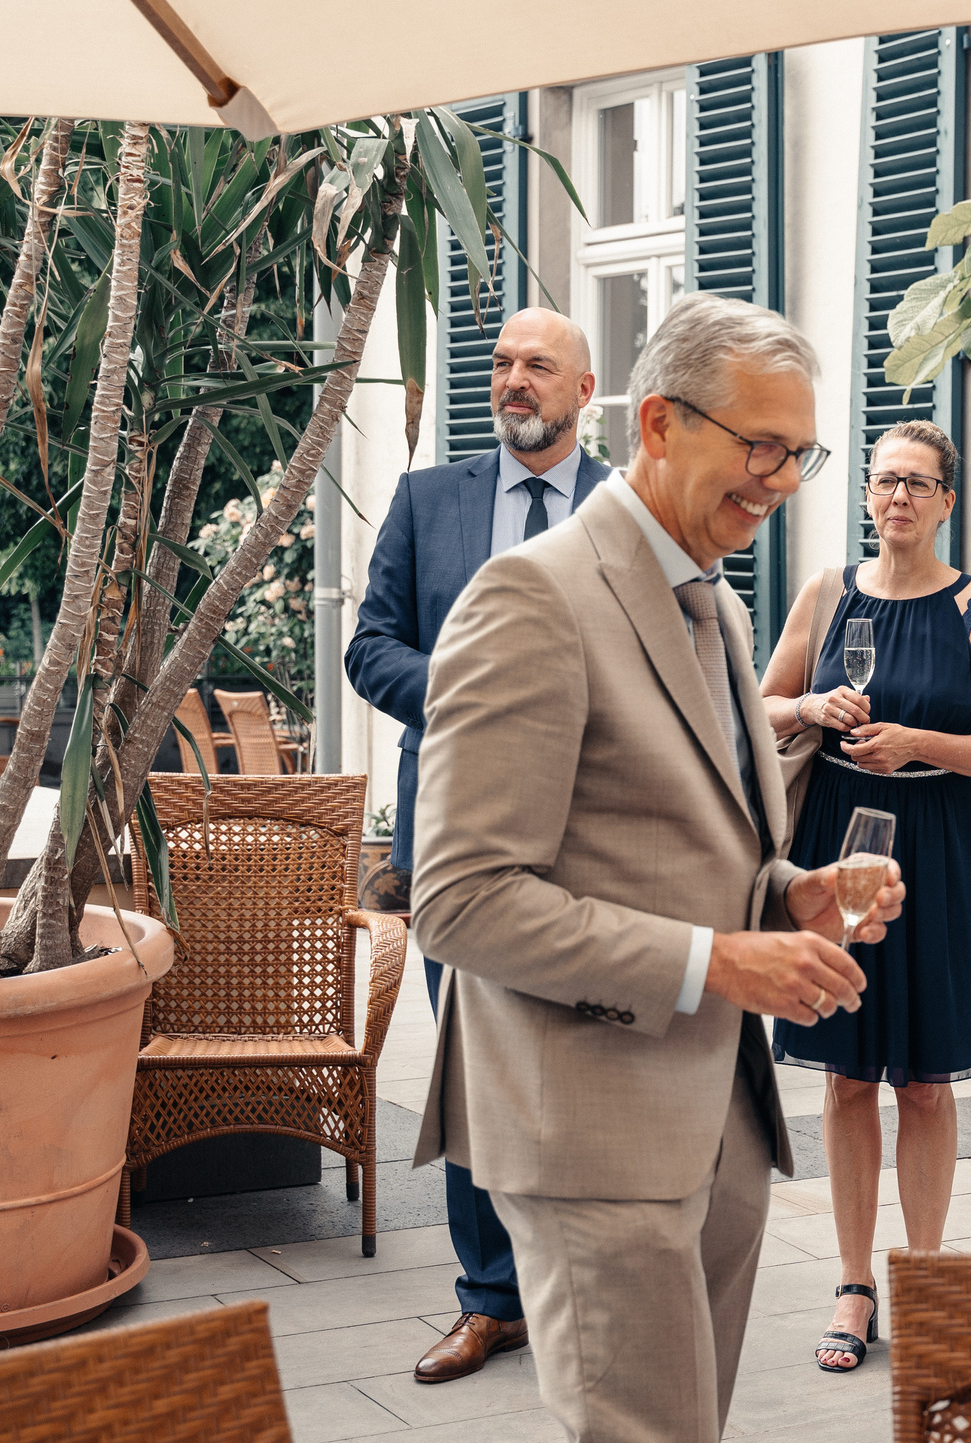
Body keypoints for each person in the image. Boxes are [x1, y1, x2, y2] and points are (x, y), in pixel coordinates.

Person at [410, 292, 905, 1443]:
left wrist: (791, 895)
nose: (782, 479)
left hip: (718, 1119)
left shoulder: (719, 604)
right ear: (661, 423)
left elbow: (691, 851)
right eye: (761, 446)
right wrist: (714, 961)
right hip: (588, 1120)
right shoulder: (533, 595)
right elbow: (461, 898)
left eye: (801, 453)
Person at [345, 306, 606, 1384]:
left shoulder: (630, 507)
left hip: (592, 832)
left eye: (537, 365)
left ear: (582, 389)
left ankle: (583, 1288)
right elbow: (370, 647)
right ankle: (491, 1299)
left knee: (585, 1060)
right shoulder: (427, 500)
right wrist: (469, 692)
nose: (513, 380)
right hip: (455, 828)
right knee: (472, 1065)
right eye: (501, 363)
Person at [758, 421, 971, 1372]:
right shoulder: (827, 593)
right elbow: (760, 705)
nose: (898, 497)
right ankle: (851, 1282)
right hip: (842, 841)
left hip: (941, 848)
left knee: (924, 1079)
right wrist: (810, 706)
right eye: (884, 481)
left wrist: (918, 743)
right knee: (846, 1074)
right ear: (868, 495)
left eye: (917, 483)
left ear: (948, 501)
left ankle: (925, 1276)